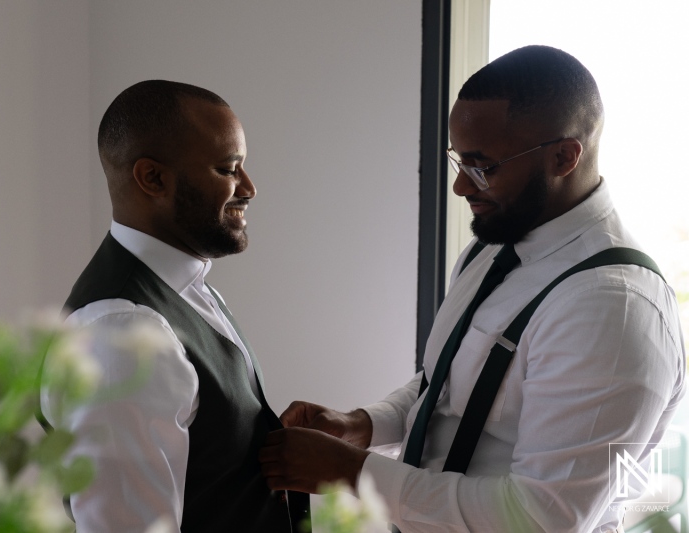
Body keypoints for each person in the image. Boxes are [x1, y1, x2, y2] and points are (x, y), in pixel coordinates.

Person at [259, 45, 686, 532]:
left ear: (565, 156)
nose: (461, 186)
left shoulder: (613, 307)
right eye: (458, 160)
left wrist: (351, 473)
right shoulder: (493, 247)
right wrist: (363, 425)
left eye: (483, 166)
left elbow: (543, 519)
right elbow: (445, 387)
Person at [40, 80, 308, 533]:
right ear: (153, 179)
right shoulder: (122, 334)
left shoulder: (186, 286)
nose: (249, 188)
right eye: (228, 169)